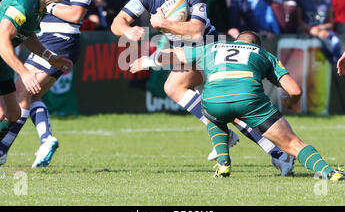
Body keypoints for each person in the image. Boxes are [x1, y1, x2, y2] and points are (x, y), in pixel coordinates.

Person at [111, 0, 295, 176]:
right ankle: (278, 154)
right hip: (184, 50)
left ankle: (263, 147)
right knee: (230, 110)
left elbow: (197, 31)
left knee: (176, 87)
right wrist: (128, 31)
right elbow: (116, 22)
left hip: (209, 45)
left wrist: (164, 24)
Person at [129, 31, 345, 182]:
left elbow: (175, 55)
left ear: (236, 41)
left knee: (212, 114)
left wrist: (146, 62)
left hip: (215, 101)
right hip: (250, 101)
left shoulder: (213, 48)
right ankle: (328, 172)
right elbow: (295, 90)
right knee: (293, 143)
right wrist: (290, 102)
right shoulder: (263, 55)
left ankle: (224, 163)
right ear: (255, 45)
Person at [0, 0, 96, 168]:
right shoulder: (28, 3)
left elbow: (71, 16)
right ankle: (28, 144)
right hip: (26, 45)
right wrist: (25, 69)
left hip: (61, 39)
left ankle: (9, 148)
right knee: (24, 95)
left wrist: (50, 58)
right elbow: (5, 39)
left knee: (15, 107)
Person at [0, 0, 72, 141]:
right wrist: (24, 72)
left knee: (13, 113)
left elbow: (28, 35)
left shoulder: (39, 6)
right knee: (2, 112)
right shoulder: (25, 3)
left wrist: (50, 58)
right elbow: (2, 39)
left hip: (2, 60)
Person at [297, 0, 342, 64]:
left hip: (323, 35)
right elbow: (298, 20)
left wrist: (319, 29)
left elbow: (331, 23)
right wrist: (311, 29)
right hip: (304, 39)